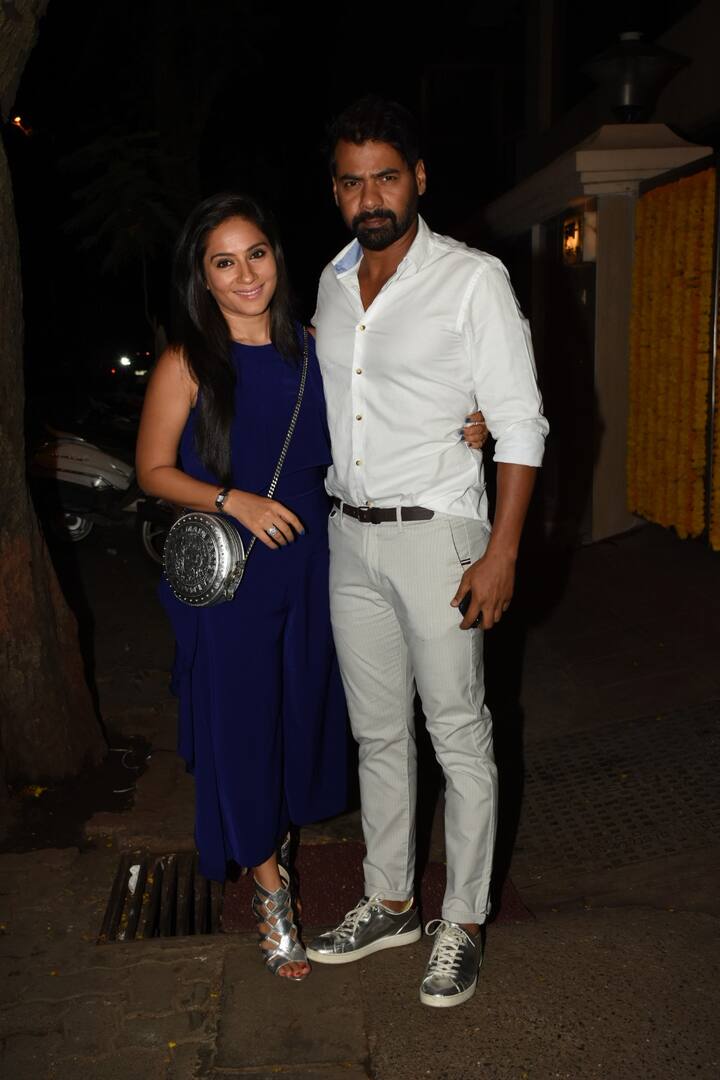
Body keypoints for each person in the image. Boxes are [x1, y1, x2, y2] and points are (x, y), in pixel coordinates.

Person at [136, 191, 487, 983]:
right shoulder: (188, 362)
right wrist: (233, 500)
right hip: (229, 580)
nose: (244, 274)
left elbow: (390, 403)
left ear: (277, 257)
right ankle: (269, 891)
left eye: (255, 254)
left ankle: (284, 846)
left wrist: (471, 420)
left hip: (315, 566)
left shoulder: (317, 347)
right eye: (223, 262)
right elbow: (152, 470)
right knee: (243, 728)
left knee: (297, 720)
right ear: (203, 278)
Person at [306, 97, 549, 1009]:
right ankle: (391, 900)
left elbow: (522, 422)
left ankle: (465, 920)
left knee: (458, 732)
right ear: (335, 191)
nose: (371, 195)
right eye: (353, 179)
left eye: (387, 176)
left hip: (442, 536)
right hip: (348, 535)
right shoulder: (330, 284)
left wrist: (503, 552)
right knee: (376, 733)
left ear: (418, 180)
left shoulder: (471, 279)